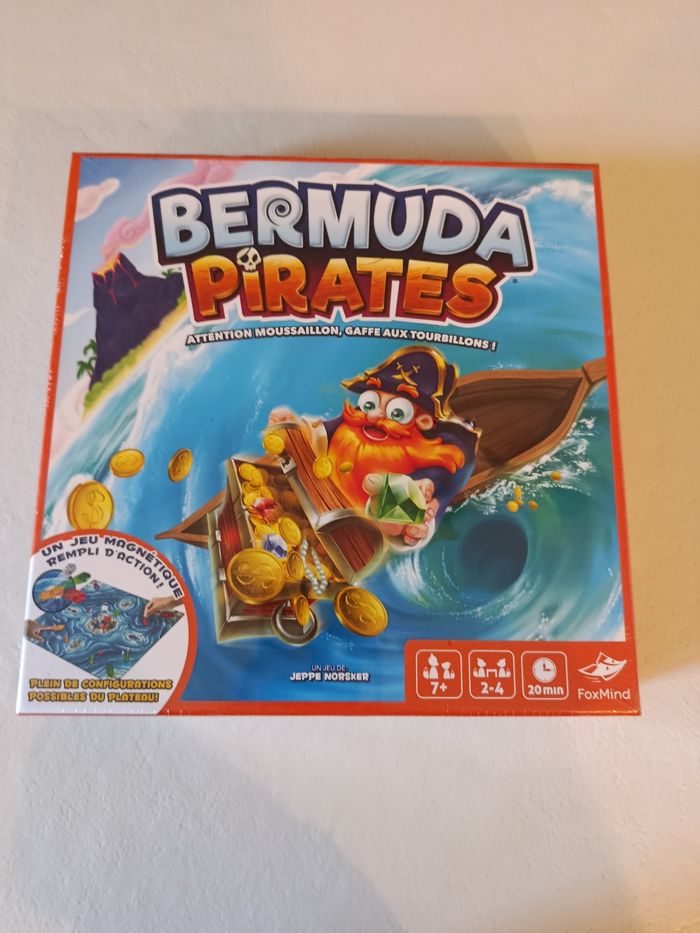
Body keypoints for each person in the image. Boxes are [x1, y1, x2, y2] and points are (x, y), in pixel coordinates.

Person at [269, 346, 479, 548]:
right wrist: (296, 430)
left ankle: (389, 522)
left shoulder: (421, 450)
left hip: (363, 527)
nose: (375, 416)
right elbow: (321, 431)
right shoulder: (355, 423)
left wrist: (426, 492)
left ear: (423, 421)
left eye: (397, 412)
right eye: (370, 403)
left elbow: (449, 466)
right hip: (323, 501)